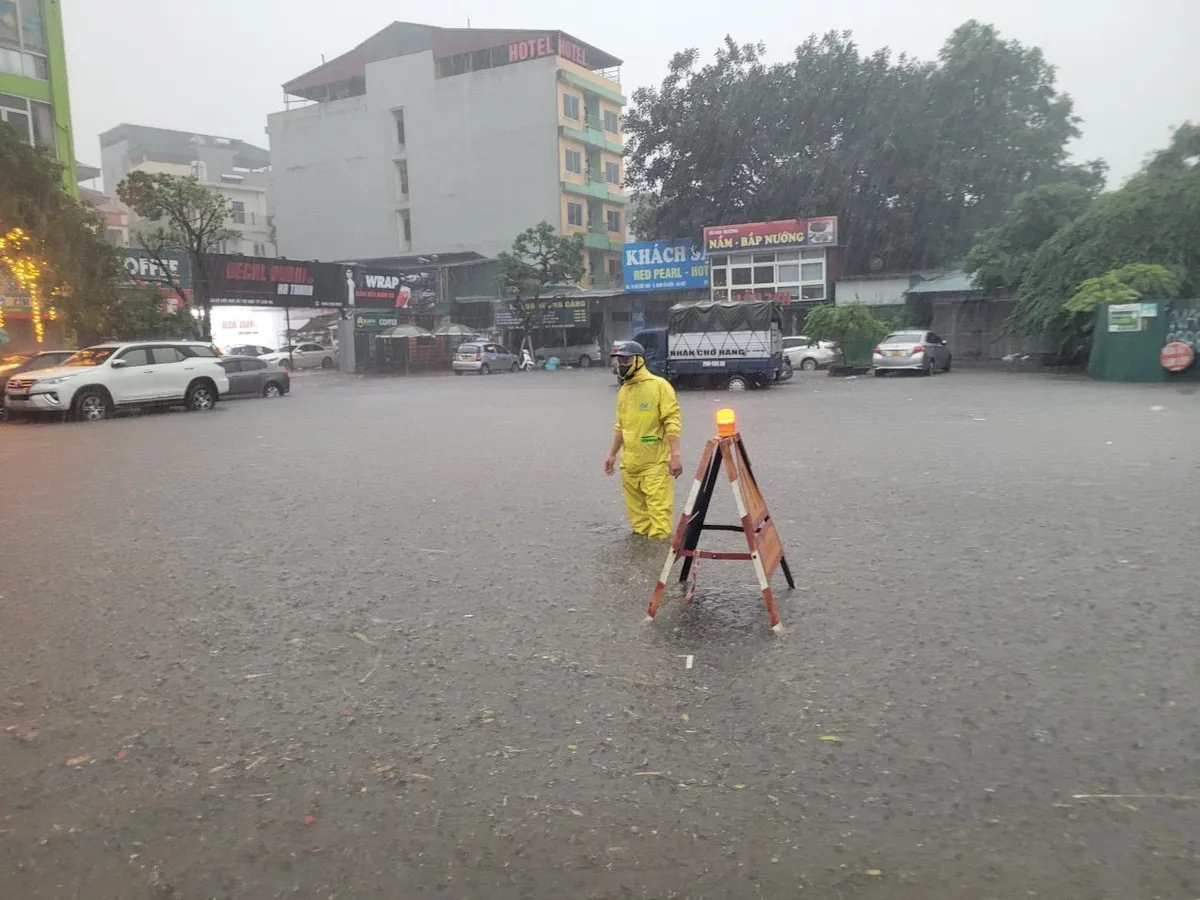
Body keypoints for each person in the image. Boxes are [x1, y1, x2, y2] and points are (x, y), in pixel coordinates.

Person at [604, 341, 683, 539]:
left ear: (639, 361)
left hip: (655, 465)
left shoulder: (659, 386)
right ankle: (640, 564)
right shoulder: (623, 391)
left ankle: (658, 565)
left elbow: (672, 421)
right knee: (638, 525)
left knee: (659, 524)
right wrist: (612, 455)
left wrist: (675, 455)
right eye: (618, 360)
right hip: (629, 466)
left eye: (625, 359)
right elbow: (621, 426)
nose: (621, 364)